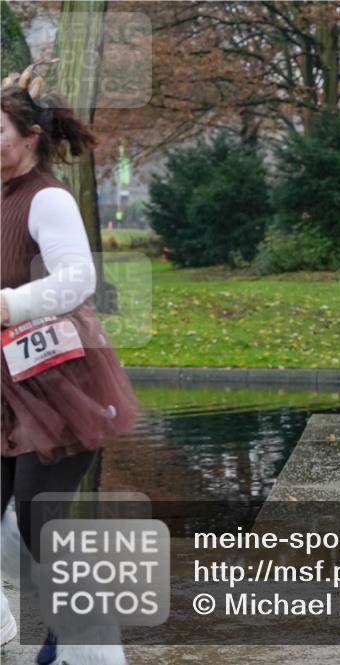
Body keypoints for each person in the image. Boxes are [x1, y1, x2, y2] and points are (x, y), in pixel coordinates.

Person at [2, 68, 137, 664]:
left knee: (38, 516)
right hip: (6, 377)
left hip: (59, 379)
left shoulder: (48, 197)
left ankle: (91, 644)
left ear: (29, 136)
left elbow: (79, 279)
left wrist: (8, 303)